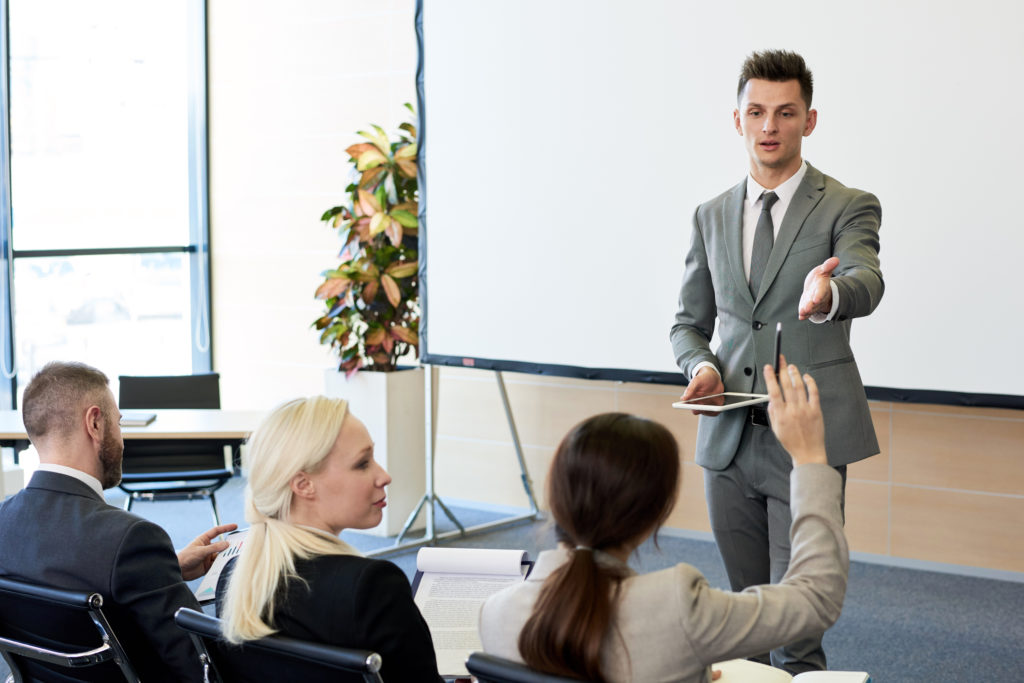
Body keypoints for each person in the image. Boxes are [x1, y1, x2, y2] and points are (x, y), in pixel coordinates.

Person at [669, 49, 882, 673]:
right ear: (736, 120)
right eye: (756, 112)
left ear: (808, 121)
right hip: (729, 441)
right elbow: (689, 323)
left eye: (785, 113)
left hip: (807, 440)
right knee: (740, 619)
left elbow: (866, 278)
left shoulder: (848, 204)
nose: (769, 126)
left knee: (799, 623)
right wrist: (699, 369)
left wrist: (829, 296)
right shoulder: (710, 215)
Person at [479, 359, 848, 682]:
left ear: (556, 500)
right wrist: (810, 458)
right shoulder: (679, 611)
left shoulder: (495, 613)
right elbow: (816, 598)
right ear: (655, 514)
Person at [0, 361, 236, 682]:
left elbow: (63, 568)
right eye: (119, 423)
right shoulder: (131, 539)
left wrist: (166, 568)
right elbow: (204, 665)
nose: (122, 439)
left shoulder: (4, 520)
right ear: (95, 423)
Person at [219, 396, 442, 682]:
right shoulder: (372, 587)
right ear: (304, 485)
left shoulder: (237, 579)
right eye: (362, 464)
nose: (384, 476)